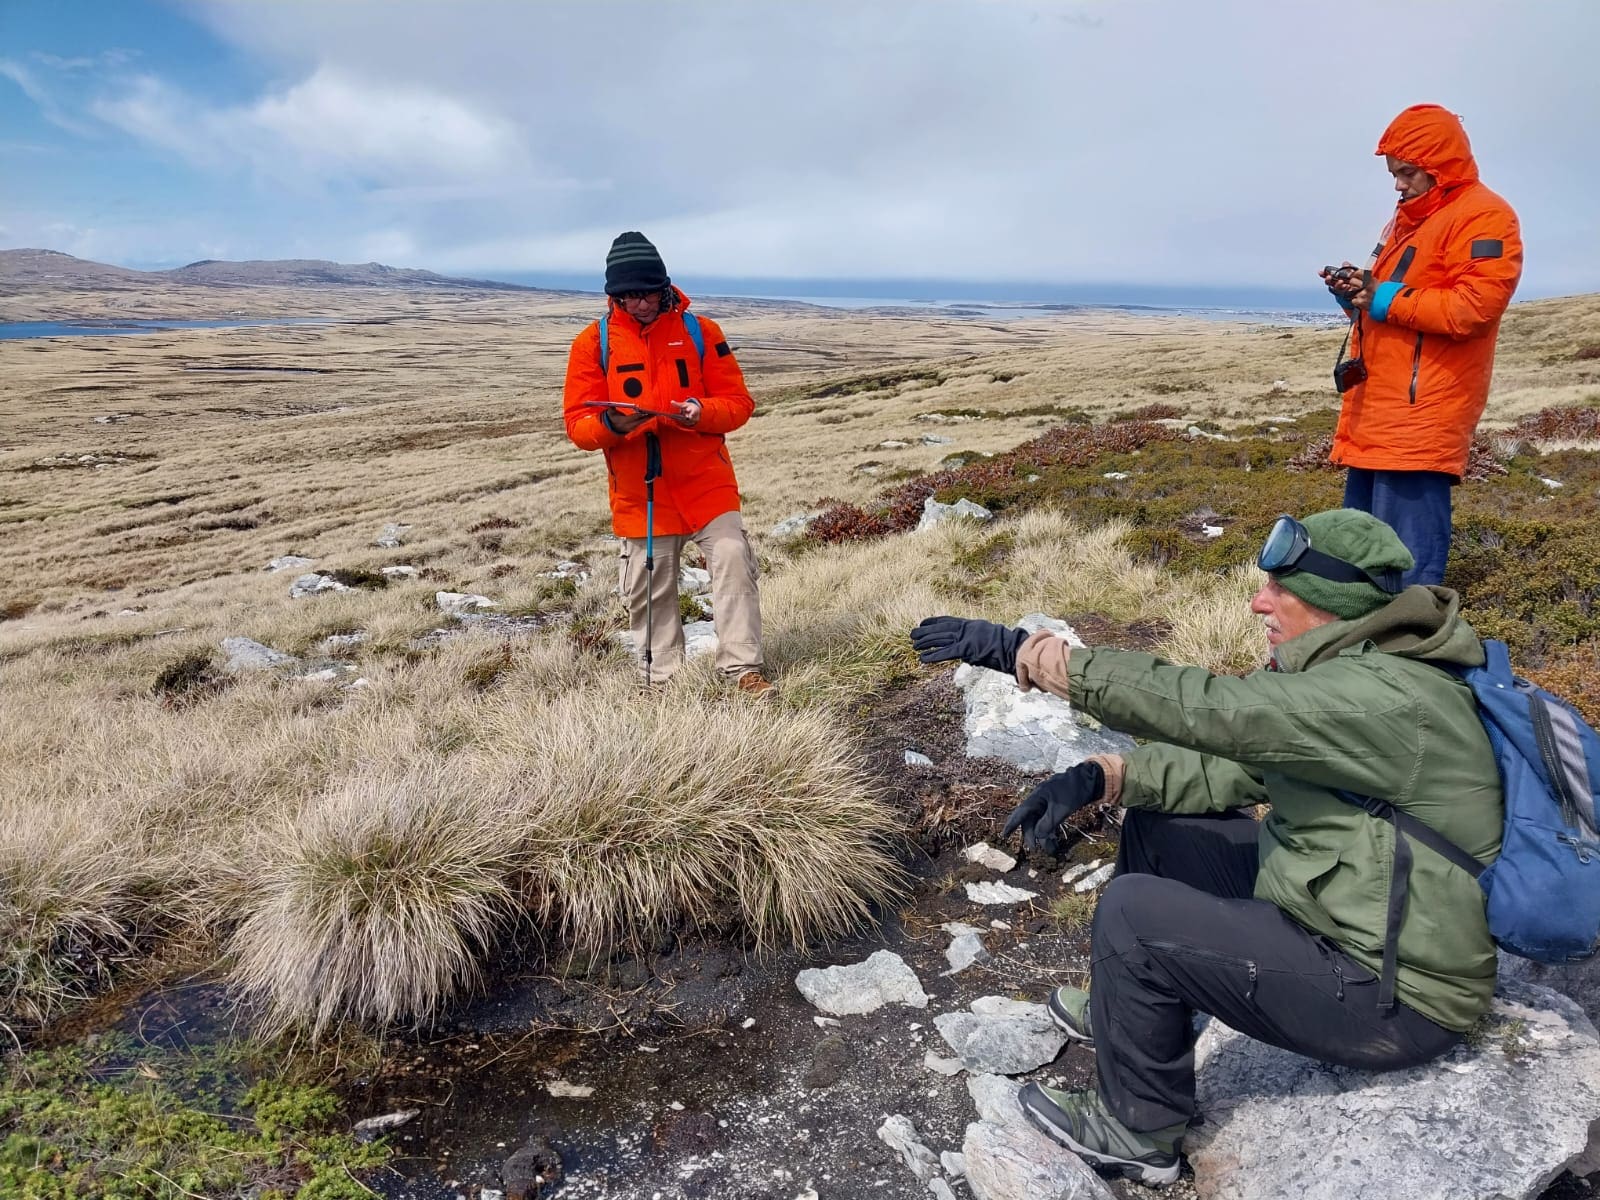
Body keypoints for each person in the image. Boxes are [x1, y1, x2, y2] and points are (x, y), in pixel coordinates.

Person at [912, 509, 1502, 1186]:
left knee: (1134, 916)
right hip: (1345, 904)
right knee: (1161, 824)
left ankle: (1139, 1130)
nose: (1259, 602)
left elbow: (1210, 709)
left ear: (1332, 605)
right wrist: (1107, 776)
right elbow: (1238, 769)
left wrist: (1026, 652)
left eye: (1280, 590)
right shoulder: (1360, 669)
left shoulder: (1376, 699)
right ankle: (1130, 1008)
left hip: (1395, 996)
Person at [1321, 103, 1522, 587]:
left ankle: (1415, 653)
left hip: (1420, 415)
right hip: (1376, 411)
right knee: (1361, 557)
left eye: (1407, 172)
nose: (1397, 184)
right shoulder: (1405, 222)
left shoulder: (1485, 217)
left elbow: (1472, 308)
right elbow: (1392, 311)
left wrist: (1383, 294)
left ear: (1440, 165)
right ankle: (1361, 655)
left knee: (1407, 568)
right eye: (1395, 173)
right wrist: (1356, 295)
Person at [563, 232, 773, 695]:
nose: (639, 304)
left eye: (647, 293)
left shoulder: (702, 333)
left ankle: (744, 671)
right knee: (648, 583)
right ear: (612, 295)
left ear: (665, 286)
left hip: (706, 480)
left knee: (733, 558)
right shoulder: (592, 345)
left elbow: (738, 403)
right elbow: (578, 424)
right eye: (627, 295)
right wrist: (615, 424)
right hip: (639, 489)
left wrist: (703, 412)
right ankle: (663, 683)